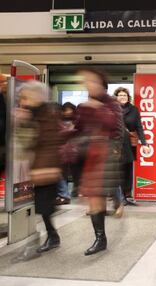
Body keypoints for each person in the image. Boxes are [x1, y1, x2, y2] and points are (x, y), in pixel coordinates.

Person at [74, 68, 123, 255]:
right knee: (94, 200)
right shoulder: (83, 105)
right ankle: (100, 238)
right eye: (86, 81)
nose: (88, 84)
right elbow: (78, 129)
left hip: (106, 156)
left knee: (98, 197)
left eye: (92, 81)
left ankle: (101, 238)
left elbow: (116, 129)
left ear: (102, 84)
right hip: (89, 157)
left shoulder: (112, 104)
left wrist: (99, 109)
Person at [16, 81, 63, 253]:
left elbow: (51, 142)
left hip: (46, 169)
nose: (24, 100)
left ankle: (51, 237)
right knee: (43, 207)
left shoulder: (49, 113)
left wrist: (49, 167)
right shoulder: (32, 114)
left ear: (37, 96)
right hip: (39, 168)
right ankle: (51, 236)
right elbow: (25, 143)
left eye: (26, 96)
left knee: (44, 207)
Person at [113, 87, 150, 205]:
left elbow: (139, 126)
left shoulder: (134, 109)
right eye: (120, 95)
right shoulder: (111, 110)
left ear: (128, 97)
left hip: (130, 143)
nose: (122, 97)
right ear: (116, 97)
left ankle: (126, 196)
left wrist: (144, 143)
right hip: (116, 144)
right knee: (118, 170)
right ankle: (119, 198)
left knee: (128, 170)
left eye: (124, 95)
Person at [55, 102, 77, 205]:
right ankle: (64, 194)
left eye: (70, 110)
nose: (68, 112)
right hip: (63, 151)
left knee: (64, 173)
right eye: (66, 110)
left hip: (69, 151)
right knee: (62, 173)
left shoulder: (76, 122)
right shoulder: (59, 121)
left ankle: (65, 194)